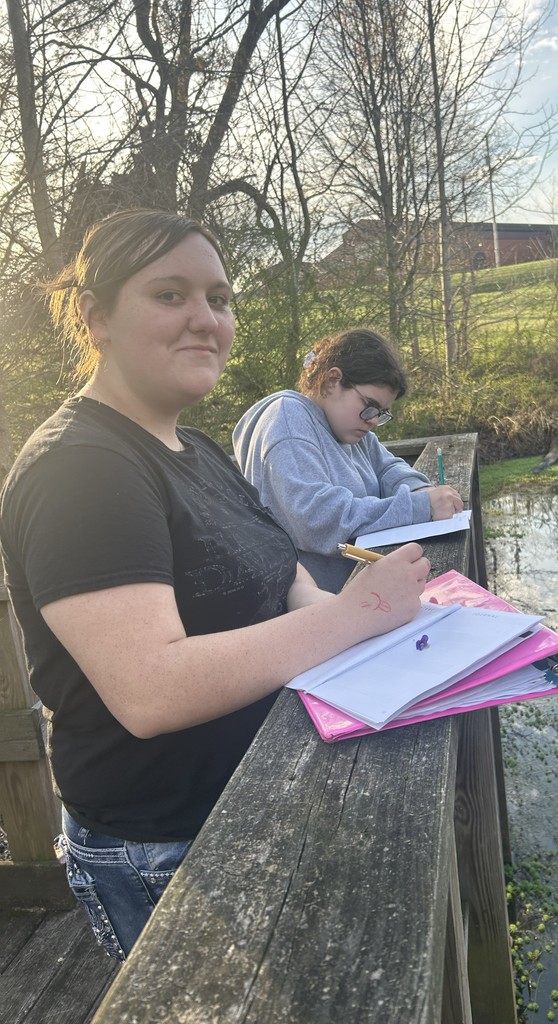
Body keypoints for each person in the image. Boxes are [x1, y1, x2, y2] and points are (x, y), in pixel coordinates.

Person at [0, 210, 430, 962]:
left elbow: (279, 562)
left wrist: (346, 618)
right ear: (96, 316)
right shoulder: (81, 468)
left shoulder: (194, 445)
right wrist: (354, 618)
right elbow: (151, 689)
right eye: (170, 294)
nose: (206, 319)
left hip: (256, 789)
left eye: (220, 298)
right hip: (166, 844)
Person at [233, 329, 463, 592]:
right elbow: (318, 520)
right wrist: (419, 507)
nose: (374, 420)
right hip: (320, 612)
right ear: (333, 380)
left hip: (360, 596)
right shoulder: (287, 422)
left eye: (382, 413)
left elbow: (387, 467)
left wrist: (418, 488)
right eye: (370, 405)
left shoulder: (349, 427)